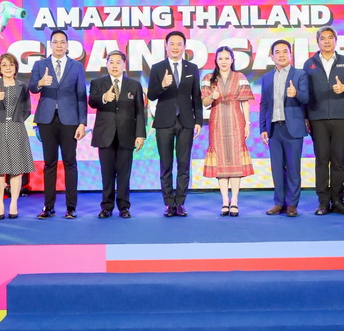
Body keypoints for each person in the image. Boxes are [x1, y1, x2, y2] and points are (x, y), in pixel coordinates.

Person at [29, 29, 87, 219]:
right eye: (56, 42)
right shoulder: (40, 64)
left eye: (63, 42)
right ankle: (48, 206)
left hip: (70, 121)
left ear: (67, 45)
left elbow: (81, 95)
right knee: (49, 164)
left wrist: (82, 123)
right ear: (50, 44)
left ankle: (71, 207)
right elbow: (32, 87)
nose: (59, 45)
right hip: (46, 120)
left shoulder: (76, 66)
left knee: (70, 163)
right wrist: (40, 82)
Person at [303, 27, 344, 215]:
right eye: (323, 38)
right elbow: (305, 93)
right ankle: (323, 202)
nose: (326, 41)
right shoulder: (309, 64)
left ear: (336, 41)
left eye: (330, 38)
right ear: (317, 42)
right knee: (321, 161)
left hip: (340, 117)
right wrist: (306, 117)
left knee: (337, 161)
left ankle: (338, 201)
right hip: (317, 118)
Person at [147, 31, 203, 217]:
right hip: (164, 122)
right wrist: (163, 85)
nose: (175, 47)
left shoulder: (192, 68)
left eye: (179, 44)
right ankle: (168, 203)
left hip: (186, 121)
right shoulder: (157, 68)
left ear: (184, 47)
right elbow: (151, 95)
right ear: (166, 46)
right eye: (172, 43)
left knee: (183, 164)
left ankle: (180, 203)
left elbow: (196, 97)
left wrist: (198, 121)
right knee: (166, 164)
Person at [88, 50, 146, 219]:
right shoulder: (98, 83)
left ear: (124, 65)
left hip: (127, 135)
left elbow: (140, 112)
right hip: (105, 135)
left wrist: (140, 135)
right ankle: (106, 207)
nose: (114, 66)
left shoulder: (134, 85)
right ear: (106, 65)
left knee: (124, 174)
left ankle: (123, 207)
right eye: (111, 62)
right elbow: (92, 102)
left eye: (118, 62)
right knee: (106, 174)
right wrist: (104, 97)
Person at [0, 53, 35, 219]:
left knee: (16, 170)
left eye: (11, 64)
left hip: (16, 129)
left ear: (16, 67)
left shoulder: (22, 86)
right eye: (4, 65)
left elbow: (27, 110)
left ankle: (13, 204)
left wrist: (16, 121)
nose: (8, 68)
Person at [201, 46, 254, 217]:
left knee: (235, 158)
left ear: (232, 60)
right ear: (216, 60)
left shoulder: (240, 77)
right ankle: (225, 201)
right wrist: (212, 96)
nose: (223, 61)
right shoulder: (208, 78)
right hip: (216, 122)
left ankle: (235, 201)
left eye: (226, 58)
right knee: (221, 159)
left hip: (236, 120)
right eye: (220, 58)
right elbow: (204, 102)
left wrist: (247, 123)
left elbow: (245, 102)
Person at [259, 40, 309, 217]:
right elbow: (264, 104)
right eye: (277, 52)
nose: (281, 55)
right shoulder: (266, 78)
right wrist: (263, 128)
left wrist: (296, 94)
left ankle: (292, 205)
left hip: (293, 128)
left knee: (293, 168)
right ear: (271, 56)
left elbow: (306, 98)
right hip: (274, 128)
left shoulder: (300, 74)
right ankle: (279, 203)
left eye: (284, 51)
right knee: (277, 169)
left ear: (290, 54)